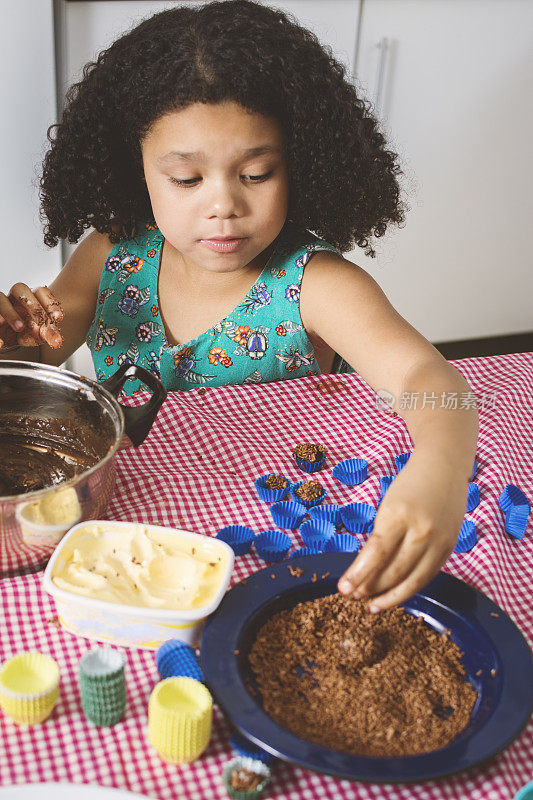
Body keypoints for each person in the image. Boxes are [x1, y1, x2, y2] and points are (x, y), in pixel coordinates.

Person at [0, 0, 477, 612]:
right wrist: (11, 327)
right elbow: (33, 354)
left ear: (297, 163)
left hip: (267, 545)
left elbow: (428, 379)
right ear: (136, 169)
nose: (222, 205)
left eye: (256, 173)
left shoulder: (316, 285)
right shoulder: (109, 254)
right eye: (186, 179)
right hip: (127, 535)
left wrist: (439, 465)